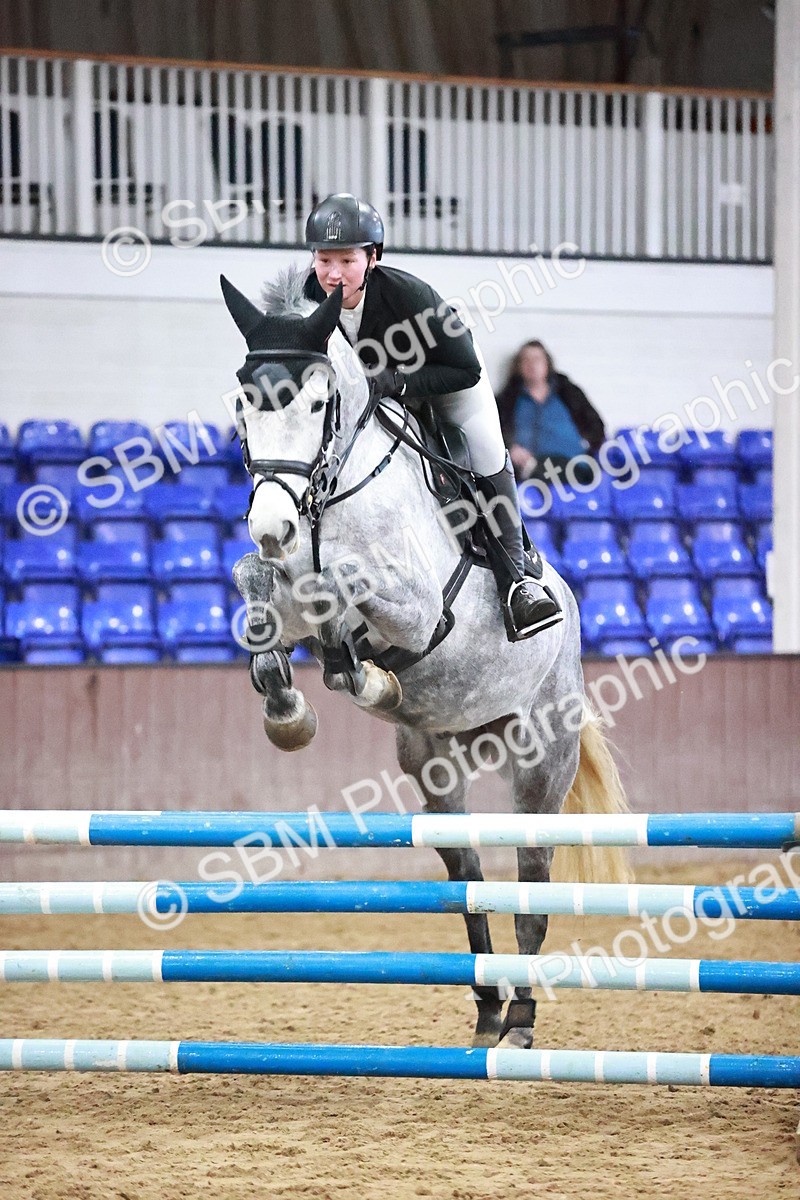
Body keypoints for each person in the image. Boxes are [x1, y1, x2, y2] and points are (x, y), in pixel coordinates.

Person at [302, 193, 562, 642]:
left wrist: (401, 383)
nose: (333, 273)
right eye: (324, 260)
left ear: (373, 257)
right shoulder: (308, 297)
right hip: (378, 396)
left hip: (447, 382)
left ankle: (518, 582)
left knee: (482, 453)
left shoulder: (408, 295)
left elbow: (466, 369)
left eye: (347, 260)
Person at [496, 341, 605, 483]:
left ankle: (536, 469)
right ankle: (536, 470)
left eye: (537, 359)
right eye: (526, 360)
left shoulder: (569, 393)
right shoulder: (507, 400)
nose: (532, 365)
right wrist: (510, 447)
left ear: (547, 363)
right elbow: (493, 435)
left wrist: (586, 442)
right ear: (518, 367)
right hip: (526, 467)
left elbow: (596, 426)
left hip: (573, 465)